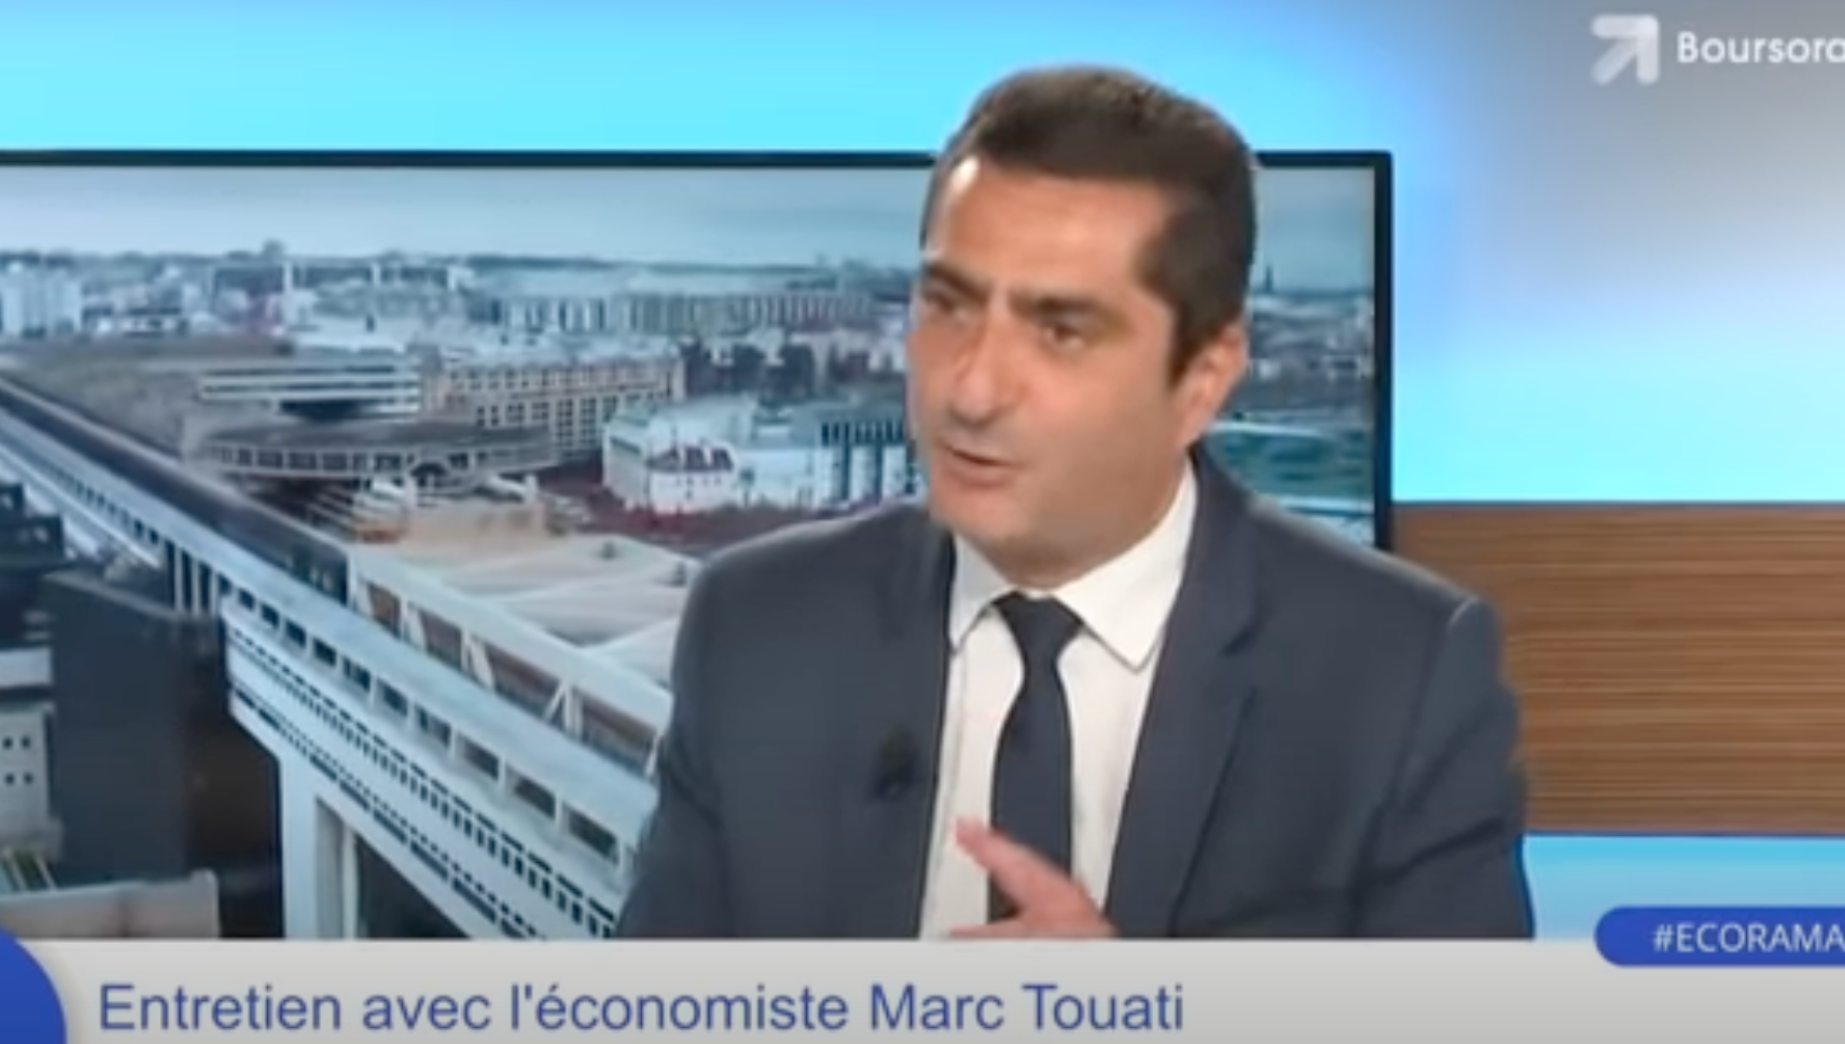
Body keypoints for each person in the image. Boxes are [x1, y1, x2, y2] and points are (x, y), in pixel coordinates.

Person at [617, 65, 1534, 939]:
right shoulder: (760, 625)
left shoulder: (1397, 674)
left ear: (1203, 379)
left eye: (1060, 331)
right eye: (949, 305)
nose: (971, 389)